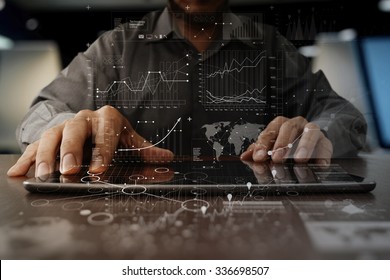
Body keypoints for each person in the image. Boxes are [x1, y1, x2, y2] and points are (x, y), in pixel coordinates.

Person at [7, 0, 367, 178]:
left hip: (250, 225)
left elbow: (342, 115)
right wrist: (72, 125)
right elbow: (43, 112)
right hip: (132, 227)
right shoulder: (115, 46)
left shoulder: (270, 47)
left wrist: (318, 134)